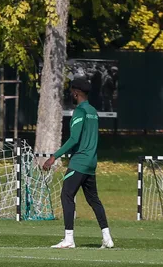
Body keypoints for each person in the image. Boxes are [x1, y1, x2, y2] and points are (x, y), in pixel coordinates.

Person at [41, 77, 112, 249]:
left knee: (66, 194)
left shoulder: (79, 112)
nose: (71, 93)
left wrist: (53, 157)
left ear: (76, 92)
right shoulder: (93, 111)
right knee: (93, 199)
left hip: (79, 161)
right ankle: (107, 237)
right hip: (91, 162)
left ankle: (69, 239)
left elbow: (74, 138)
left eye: (72, 90)